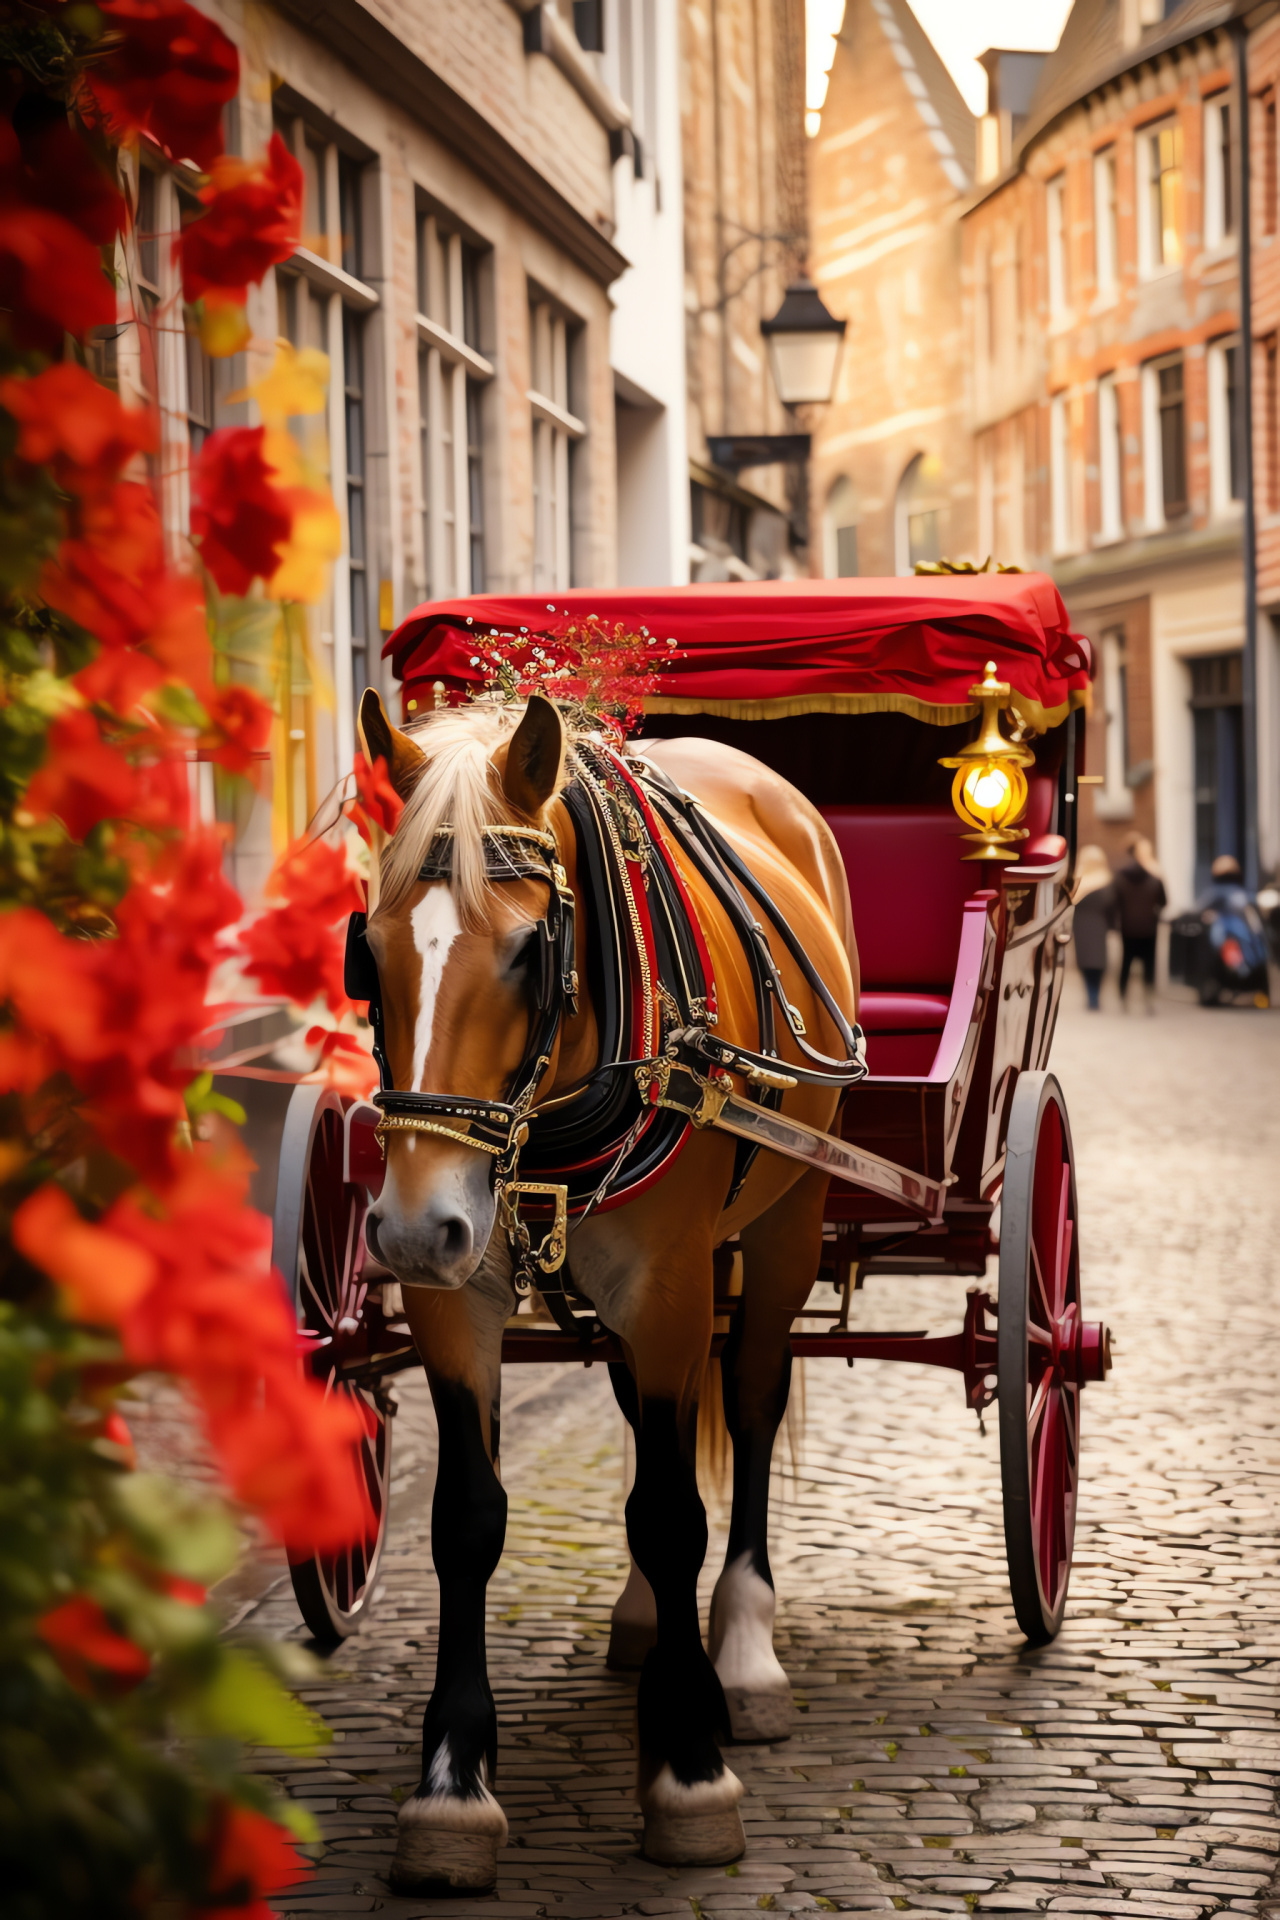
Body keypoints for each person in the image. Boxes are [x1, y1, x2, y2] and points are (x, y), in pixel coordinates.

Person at [1112, 834, 1166, 1013]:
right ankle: (1148, 999)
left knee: (1126, 963)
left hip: (1127, 927)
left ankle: (1122, 998)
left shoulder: (1120, 877)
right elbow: (1164, 902)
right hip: (1149, 927)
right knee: (1149, 965)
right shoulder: (1155, 878)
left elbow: (1114, 902)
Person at [1071, 844, 1114, 1010]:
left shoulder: (1079, 881)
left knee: (1088, 963)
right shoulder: (1106, 880)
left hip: (1085, 926)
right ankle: (1093, 996)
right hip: (1097, 926)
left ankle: (1092, 996)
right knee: (1096, 963)